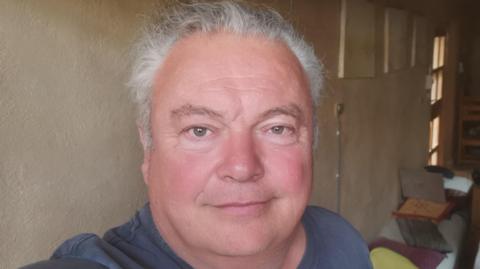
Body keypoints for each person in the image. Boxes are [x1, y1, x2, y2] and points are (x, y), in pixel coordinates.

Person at [22, 1, 372, 268]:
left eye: (277, 127)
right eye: (200, 130)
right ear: (148, 149)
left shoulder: (341, 241)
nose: (241, 167)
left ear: (312, 140)